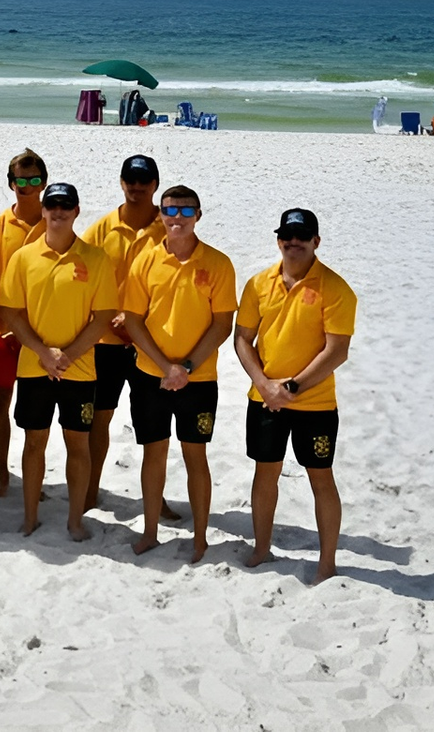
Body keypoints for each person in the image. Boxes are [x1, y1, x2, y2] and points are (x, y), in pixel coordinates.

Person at [234, 208, 355, 583]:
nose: (293, 242)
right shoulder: (258, 284)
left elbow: (336, 351)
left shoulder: (335, 288)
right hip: (265, 399)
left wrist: (292, 387)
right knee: (264, 474)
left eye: (302, 236)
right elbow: (242, 339)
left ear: (316, 241)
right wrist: (266, 385)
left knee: (321, 478)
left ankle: (327, 562)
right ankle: (260, 548)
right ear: (279, 240)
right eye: (287, 236)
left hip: (314, 403)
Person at [0, 181, 117, 542]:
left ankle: (75, 520)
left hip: (79, 369)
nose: (59, 212)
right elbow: (10, 312)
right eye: (53, 205)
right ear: (44, 210)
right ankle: (30, 516)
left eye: (66, 205)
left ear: (77, 211)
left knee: (78, 444)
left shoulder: (95, 258)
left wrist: (68, 355)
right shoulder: (24, 257)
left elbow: (103, 317)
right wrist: (44, 352)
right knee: (34, 443)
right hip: (35, 366)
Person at [119, 186, 236, 562]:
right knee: (153, 454)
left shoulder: (218, 263)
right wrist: (164, 365)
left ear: (199, 215)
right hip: (149, 375)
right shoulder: (145, 261)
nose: (178, 218)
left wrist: (185, 367)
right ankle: (150, 531)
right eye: (170, 211)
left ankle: (200, 538)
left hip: (198, 379)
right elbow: (134, 321)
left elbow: (222, 326)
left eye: (186, 211)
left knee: (195, 457)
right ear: (161, 216)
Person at [78, 154, 167, 515]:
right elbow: (83, 277)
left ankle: (155, 498)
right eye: (130, 179)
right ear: (121, 182)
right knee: (100, 418)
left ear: (155, 185)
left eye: (143, 180)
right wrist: (110, 317)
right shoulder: (102, 229)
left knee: (153, 427)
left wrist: (139, 321)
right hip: (107, 342)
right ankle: (90, 489)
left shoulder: (168, 228)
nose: (136, 186)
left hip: (150, 343)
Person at [0, 150, 49, 496]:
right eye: (21, 181)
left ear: (43, 183)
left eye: (34, 181)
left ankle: (35, 477)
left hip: (43, 334)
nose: (27, 188)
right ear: (11, 183)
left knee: (38, 411)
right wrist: (0, 320)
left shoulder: (55, 221)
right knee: (0, 401)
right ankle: (3, 474)